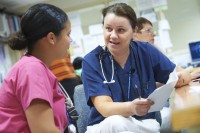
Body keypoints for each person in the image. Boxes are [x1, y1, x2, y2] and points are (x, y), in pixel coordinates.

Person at [81, 3, 191, 133]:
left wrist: (180, 78)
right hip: (105, 125)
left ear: (133, 31)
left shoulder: (146, 51)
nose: (113, 35)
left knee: (177, 118)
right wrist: (132, 108)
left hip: (143, 123)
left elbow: (182, 74)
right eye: (108, 29)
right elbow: (105, 107)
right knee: (117, 122)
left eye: (121, 30)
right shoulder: (92, 61)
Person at [0, 3, 72, 133]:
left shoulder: (35, 66)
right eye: (68, 34)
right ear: (51, 38)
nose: (70, 40)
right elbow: (43, 130)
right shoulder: (32, 69)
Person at [135, 17, 200, 81]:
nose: (154, 34)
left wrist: (153, 46)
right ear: (135, 34)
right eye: (148, 31)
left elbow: (173, 72)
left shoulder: (150, 53)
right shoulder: (136, 59)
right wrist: (189, 76)